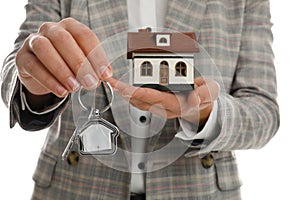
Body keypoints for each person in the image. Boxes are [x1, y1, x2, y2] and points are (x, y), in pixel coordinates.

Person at [0, 0, 279, 199]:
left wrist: (207, 114)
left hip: (198, 188)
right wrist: (35, 83)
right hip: (75, 186)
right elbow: (20, 61)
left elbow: (264, 111)